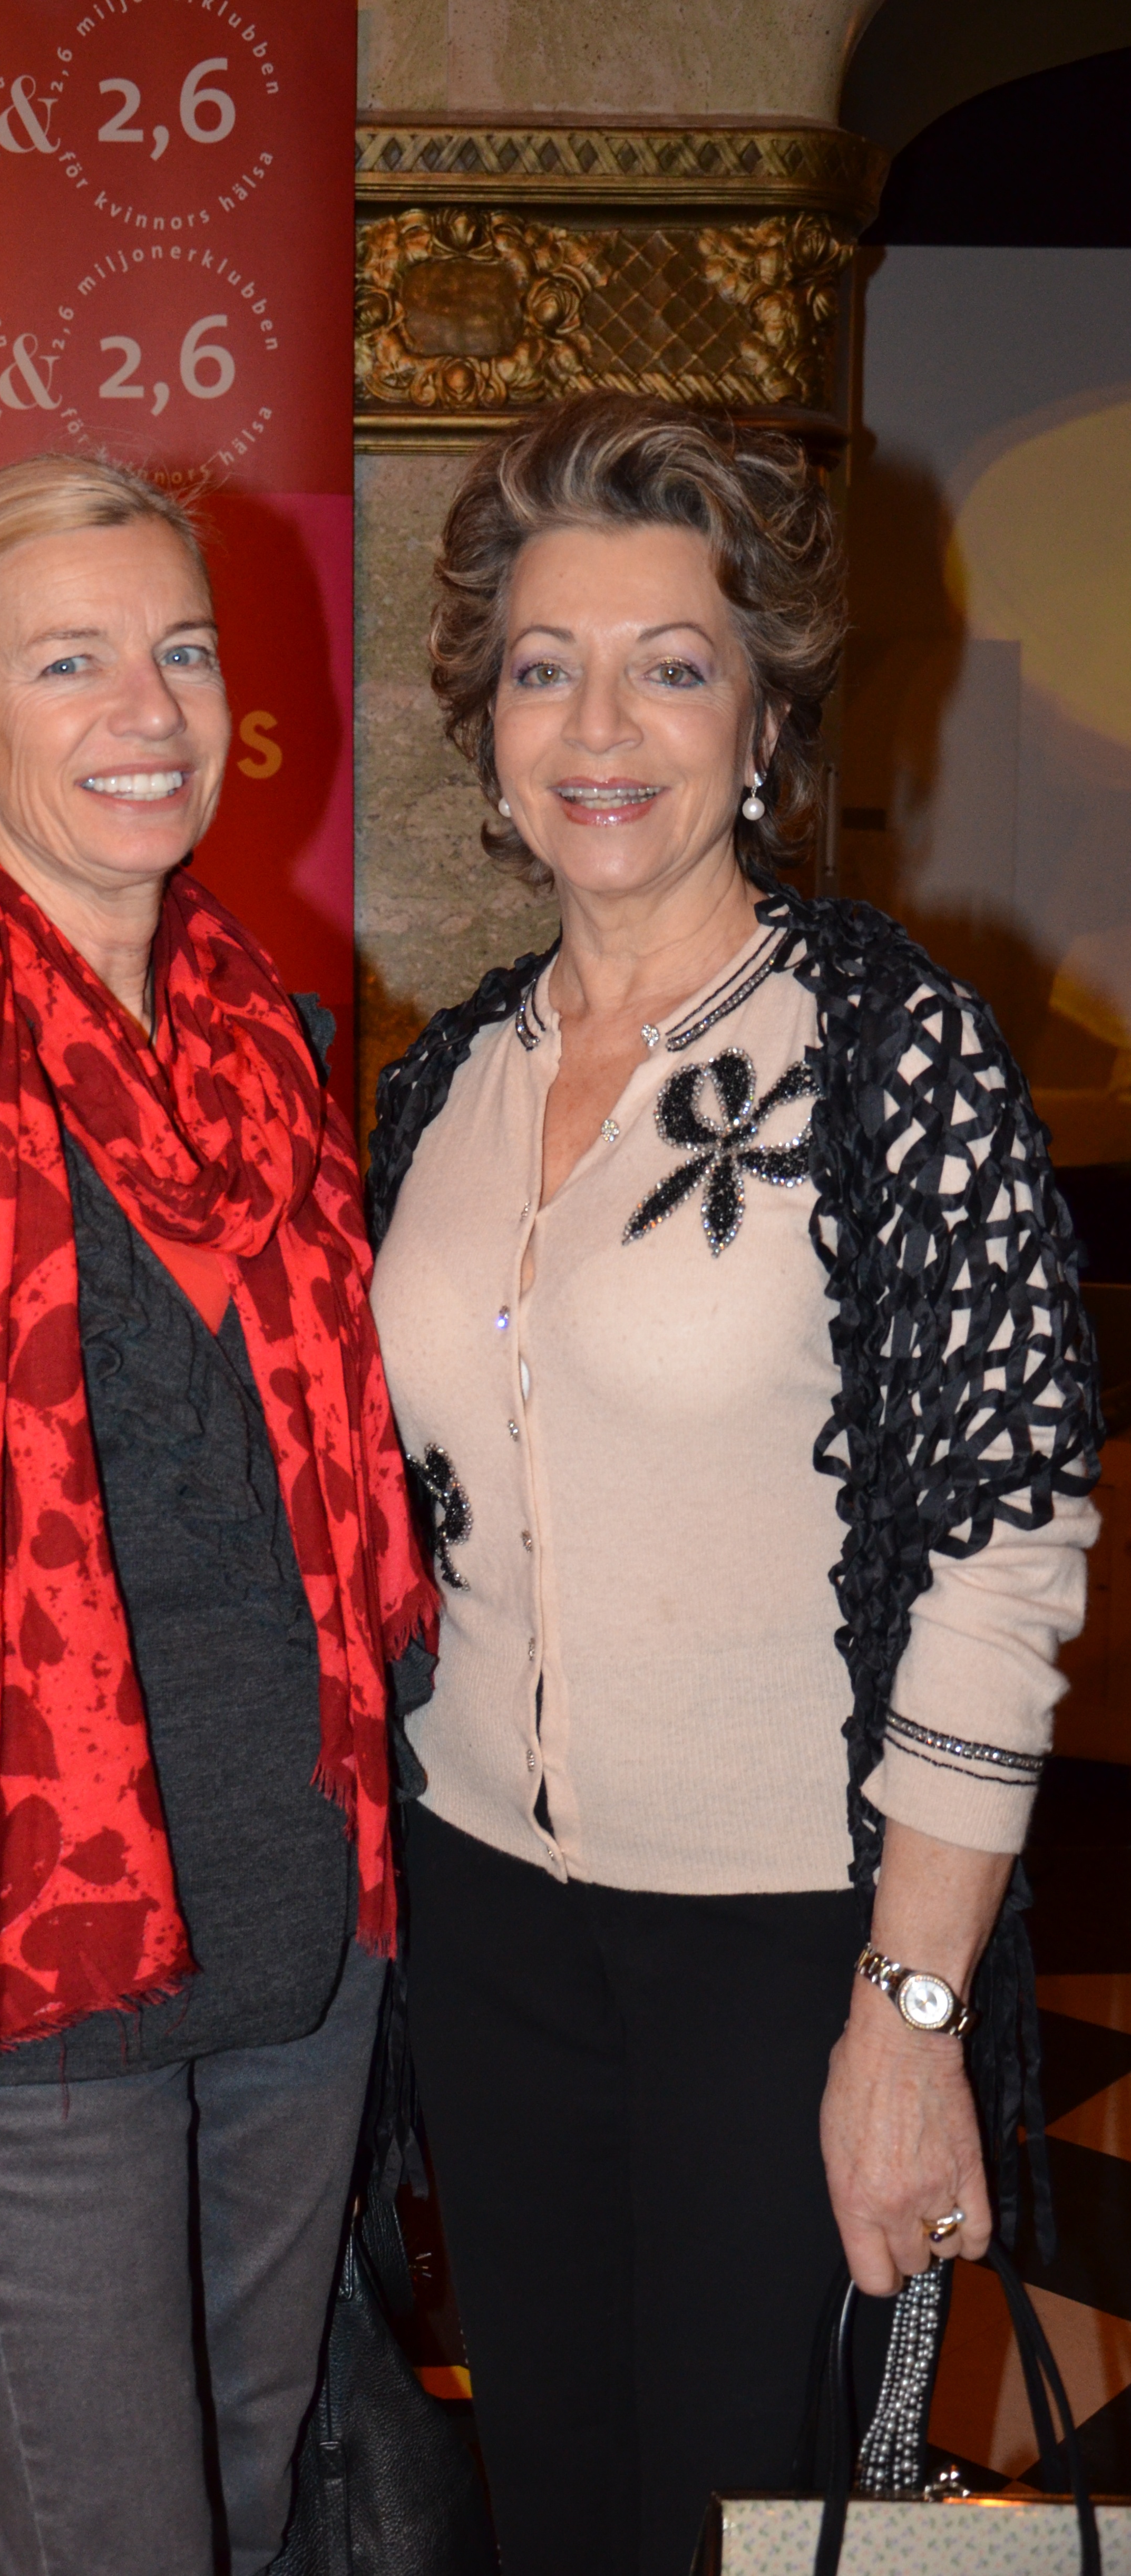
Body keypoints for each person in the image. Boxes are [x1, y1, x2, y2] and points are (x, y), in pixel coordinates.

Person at [365, 392, 1101, 2576]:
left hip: (783, 1948)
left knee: (748, 2521)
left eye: (669, 665)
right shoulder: (442, 1083)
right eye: (546, 667)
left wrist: (912, 2010)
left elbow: (1004, 1554)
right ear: (488, 726)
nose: (600, 726)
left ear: (763, 720)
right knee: (555, 2502)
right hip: (483, 1925)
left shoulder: (887, 1053)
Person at [0, 454, 434, 2576]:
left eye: (181, 650)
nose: (148, 707)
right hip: (31, 1956)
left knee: (256, 2504)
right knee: (118, 2540)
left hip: (302, 1939)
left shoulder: (275, 1042)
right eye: (68, 660)